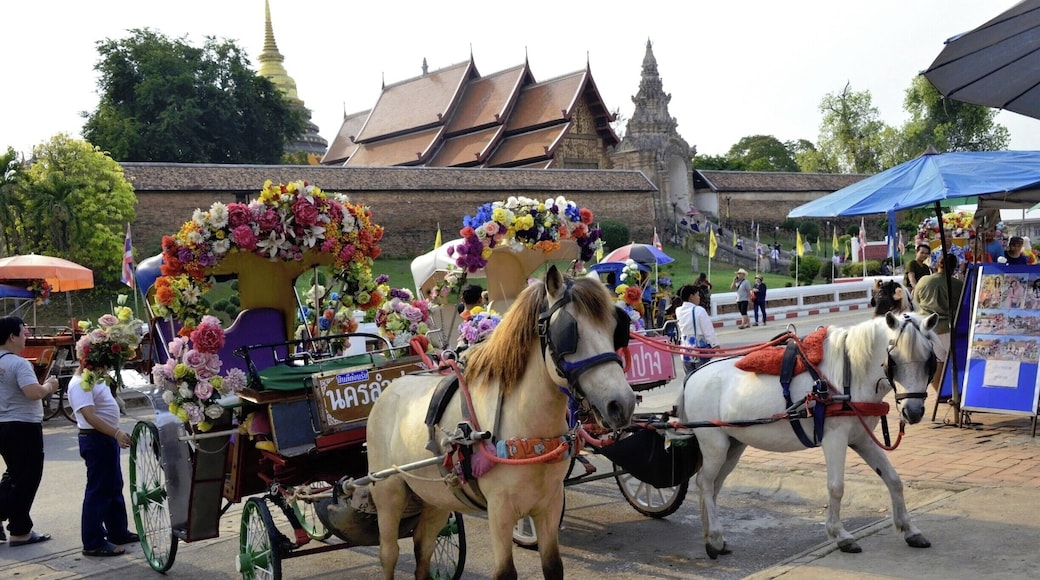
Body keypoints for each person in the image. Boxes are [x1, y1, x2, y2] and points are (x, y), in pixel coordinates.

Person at [0, 316, 59, 546]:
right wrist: (49, 386)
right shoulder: (18, 363)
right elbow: (33, 392)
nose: (27, 336)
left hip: (3, 424)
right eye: (23, 332)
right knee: (28, 477)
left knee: (15, 474)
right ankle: (20, 529)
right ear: (12, 336)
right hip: (23, 425)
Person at [68, 366, 138, 557]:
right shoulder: (80, 383)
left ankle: (118, 532)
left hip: (105, 439)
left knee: (113, 487)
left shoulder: (95, 379)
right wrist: (116, 433)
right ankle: (93, 542)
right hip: (96, 439)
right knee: (99, 491)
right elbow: (89, 416)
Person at [913, 254, 964, 392]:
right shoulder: (958, 285)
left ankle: (940, 393)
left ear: (937, 265)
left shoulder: (923, 281)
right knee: (957, 363)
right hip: (948, 328)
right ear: (954, 268)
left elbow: (916, 299)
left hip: (927, 328)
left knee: (937, 363)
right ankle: (958, 393)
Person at [675, 285, 719, 374]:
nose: (699, 298)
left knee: (689, 378)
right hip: (700, 350)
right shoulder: (699, 310)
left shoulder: (678, 311)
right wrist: (716, 346)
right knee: (704, 378)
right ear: (691, 297)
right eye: (697, 295)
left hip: (685, 350)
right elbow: (708, 331)